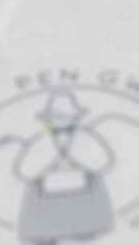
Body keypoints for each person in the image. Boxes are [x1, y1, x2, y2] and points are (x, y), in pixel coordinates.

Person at [11, 91, 116, 244]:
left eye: (66, 116)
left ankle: (85, 231)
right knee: (46, 220)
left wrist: (77, 157)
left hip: (83, 189)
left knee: (85, 218)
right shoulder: (42, 139)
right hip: (46, 192)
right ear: (49, 119)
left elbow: (103, 162)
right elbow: (26, 170)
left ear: (75, 117)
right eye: (57, 117)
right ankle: (46, 235)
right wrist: (49, 158)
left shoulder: (84, 136)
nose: (61, 120)